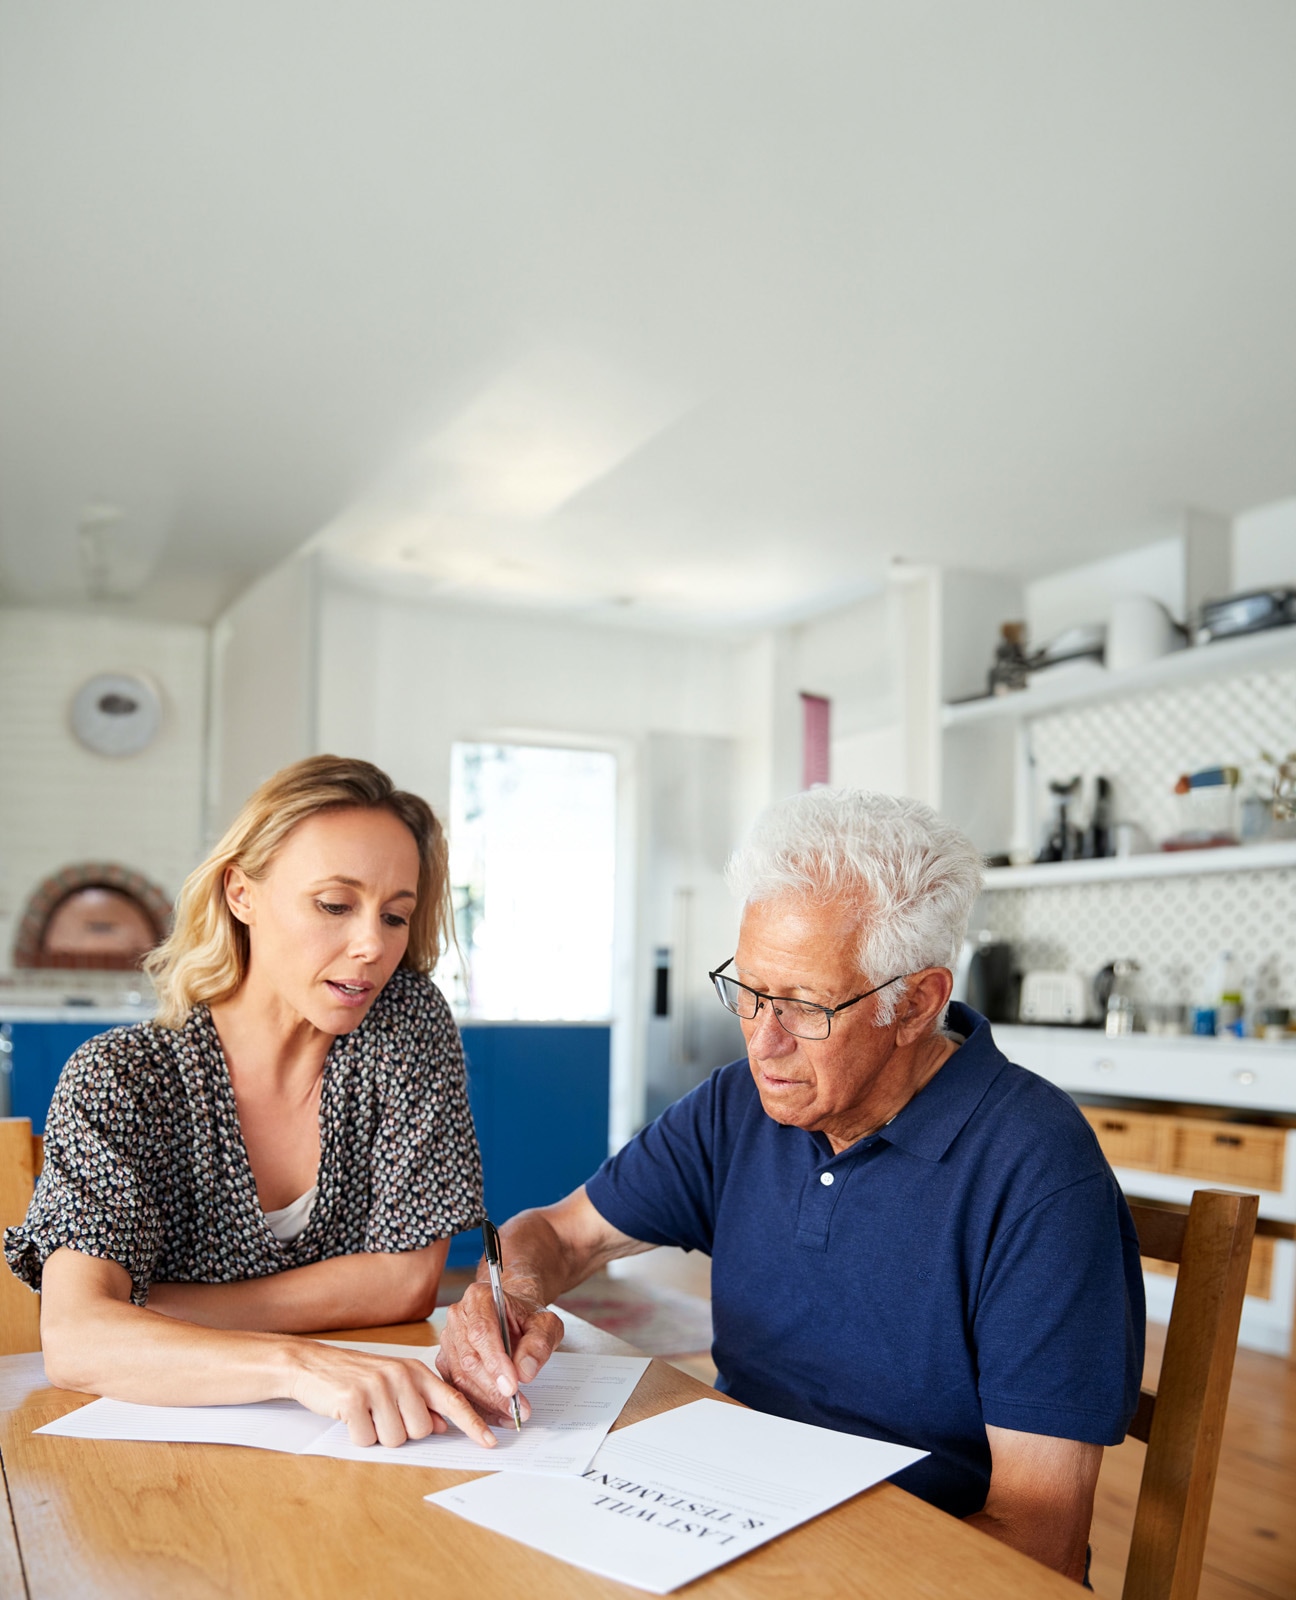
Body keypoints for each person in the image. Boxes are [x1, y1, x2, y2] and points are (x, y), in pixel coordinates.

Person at [439, 789, 1145, 1581]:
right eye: (748, 990)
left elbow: (1038, 1541)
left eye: (804, 1007)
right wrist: (513, 1298)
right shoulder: (740, 1105)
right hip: (724, 1520)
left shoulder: (1037, 1171)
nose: (762, 1041)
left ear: (916, 1004)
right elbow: (563, 1233)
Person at [5, 755, 498, 1451]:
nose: (372, 946)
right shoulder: (123, 1078)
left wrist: (153, 1309)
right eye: (334, 905)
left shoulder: (403, 1021)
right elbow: (78, 1339)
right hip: (164, 1456)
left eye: (395, 916)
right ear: (242, 894)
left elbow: (408, 1282)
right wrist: (297, 1363)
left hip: (357, 1446)